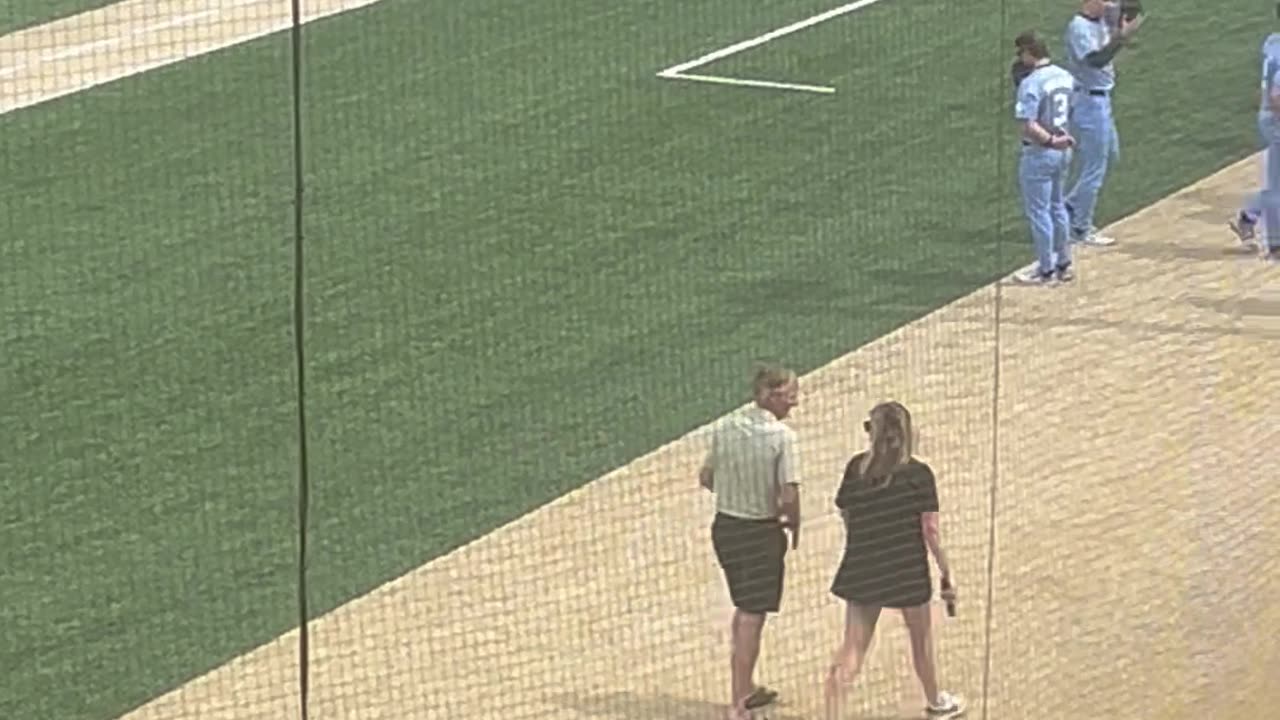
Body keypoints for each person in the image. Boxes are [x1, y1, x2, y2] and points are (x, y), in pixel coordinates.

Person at [823, 402, 964, 720]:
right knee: (921, 641)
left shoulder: (856, 468)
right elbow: (930, 530)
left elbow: (846, 512)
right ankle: (936, 701)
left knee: (853, 648)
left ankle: (832, 713)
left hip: (862, 566)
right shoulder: (918, 473)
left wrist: (860, 541)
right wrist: (946, 572)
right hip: (907, 570)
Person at [699, 364, 802, 720]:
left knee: (744, 609)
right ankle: (739, 701)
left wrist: (734, 493)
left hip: (725, 529)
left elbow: (706, 476)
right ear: (769, 395)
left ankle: (745, 686)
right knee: (752, 615)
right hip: (760, 534)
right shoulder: (782, 437)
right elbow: (789, 494)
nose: (795, 403)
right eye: (790, 395)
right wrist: (793, 522)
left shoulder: (724, 426)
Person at [1061, 0, 1145, 247]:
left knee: (1111, 155)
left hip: (1101, 100)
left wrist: (1125, 26)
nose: (1111, 5)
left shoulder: (1102, 22)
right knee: (1094, 168)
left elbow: (1134, 7)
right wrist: (1120, 38)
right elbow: (1095, 60)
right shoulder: (1078, 27)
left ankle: (1072, 204)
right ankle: (1079, 228)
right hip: (1088, 102)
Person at [1010, 30, 1078, 286]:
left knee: (1039, 212)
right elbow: (1072, 107)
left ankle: (1046, 268)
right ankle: (1064, 262)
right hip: (1064, 150)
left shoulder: (1031, 83)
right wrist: (1062, 138)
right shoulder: (1065, 76)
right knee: (1058, 206)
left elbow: (1029, 125)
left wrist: (1049, 140)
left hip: (1040, 152)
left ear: (1029, 52)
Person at [1228, 4, 1280, 262]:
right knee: (1277, 186)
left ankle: (1247, 217)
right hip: (1277, 118)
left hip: (1268, 116)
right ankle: (1274, 242)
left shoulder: (1273, 41)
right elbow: (1276, 97)